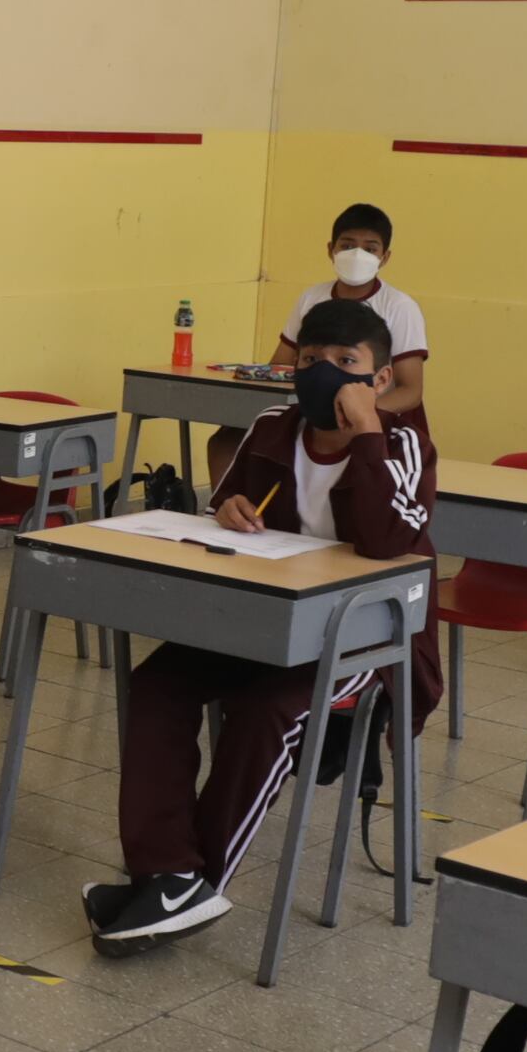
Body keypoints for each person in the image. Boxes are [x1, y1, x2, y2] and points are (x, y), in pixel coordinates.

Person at [88, 300, 442, 948]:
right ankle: (165, 868)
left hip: (362, 633)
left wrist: (365, 434)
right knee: (158, 683)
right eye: (310, 361)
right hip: (263, 621)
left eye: (346, 364)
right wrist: (229, 508)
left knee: (265, 710)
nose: (323, 374)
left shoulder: (404, 444)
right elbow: (232, 503)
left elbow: (389, 539)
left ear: (381, 380)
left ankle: (197, 880)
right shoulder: (273, 426)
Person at [269, 198, 429, 406]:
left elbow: (410, 390)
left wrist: (358, 416)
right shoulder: (310, 297)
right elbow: (279, 367)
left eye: (370, 249)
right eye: (347, 245)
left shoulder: (399, 306)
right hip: (314, 417)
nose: (357, 255)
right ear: (330, 250)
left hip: (378, 422)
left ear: (385, 257)